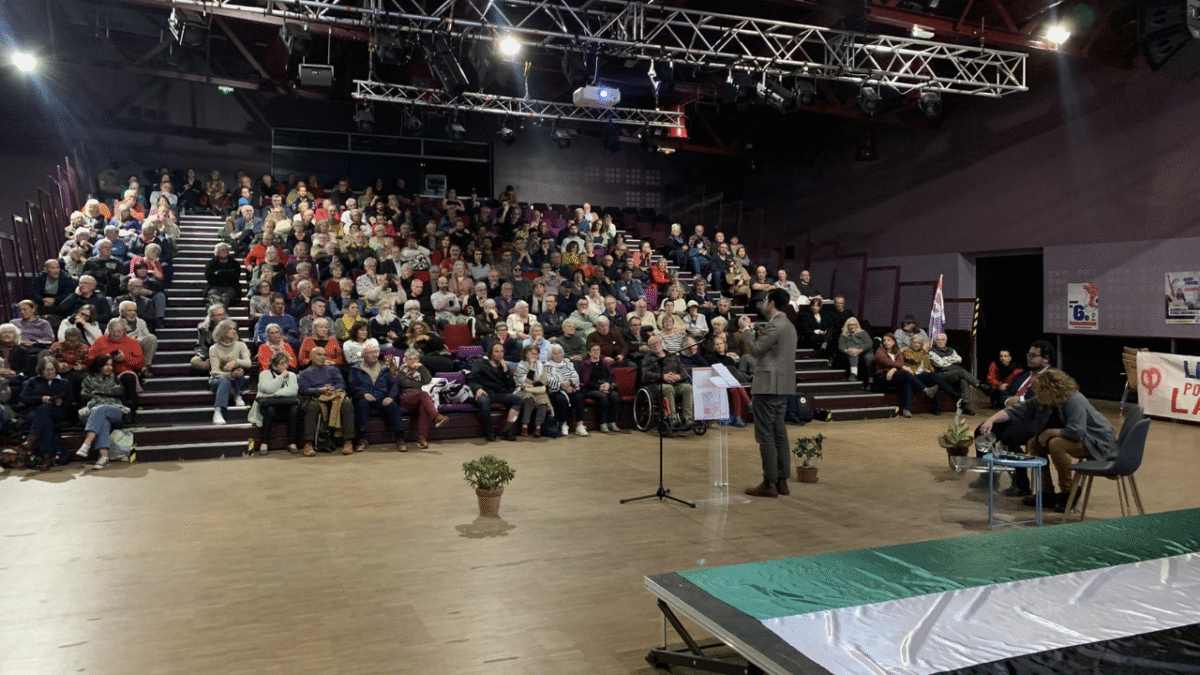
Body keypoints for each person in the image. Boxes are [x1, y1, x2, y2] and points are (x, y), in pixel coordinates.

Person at [980, 369, 1117, 513]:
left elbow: (1077, 431)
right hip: (1074, 437)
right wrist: (992, 420)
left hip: (1095, 440)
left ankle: (1068, 492)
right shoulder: (1043, 401)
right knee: (1034, 443)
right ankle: (1047, 493)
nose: (1036, 395)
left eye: (1040, 391)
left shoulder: (1074, 399)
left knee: (1056, 444)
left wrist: (1050, 432)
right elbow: (1016, 410)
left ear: (1051, 390)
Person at [970, 340, 1055, 496]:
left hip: (1036, 420)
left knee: (1009, 437)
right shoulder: (1022, 376)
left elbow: (1040, 402)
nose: (1029, 358)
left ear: (1046, 359)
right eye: (1028, 355)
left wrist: (1020, 400)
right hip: (1012, 415)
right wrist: (1010, 401)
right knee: (981, 431)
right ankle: (988, 476)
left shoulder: (1052, 378)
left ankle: (1021, 485)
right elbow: (1004, 395)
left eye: (1034, 356)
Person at [738, 288, 798, 498]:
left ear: (771, 302)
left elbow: (755, 350)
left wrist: (746, 330)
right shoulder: (788, 325)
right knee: (779, 432)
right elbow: (767, 347)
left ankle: (768, 482)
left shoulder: (775, 325)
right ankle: (782, 481)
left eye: (765, 300)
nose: (764, 303)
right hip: (783, 385)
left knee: (765, 434)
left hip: (767, 386)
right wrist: (754, 331)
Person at [349, 340, 408, 452]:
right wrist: (363, 394)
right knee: (361, 404)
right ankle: (362, 439)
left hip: (382, 397)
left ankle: (400, 439)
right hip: (365, 398)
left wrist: (390, 397)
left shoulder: (384, 368)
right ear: (363, 355)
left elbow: (394, 385)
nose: (374, 355)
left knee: (393, 406)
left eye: (375, 352)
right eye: (370, 352)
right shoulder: (355, 369)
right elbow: (352, 386)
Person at [297, 346, 355, 456]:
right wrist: (319, 390)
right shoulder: (303, 374)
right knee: (312, 406)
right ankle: (308, 443)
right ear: (311, 357)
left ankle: (348, 441)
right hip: (316, 397)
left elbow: (341, 384)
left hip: (333, 394)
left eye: (324, 355)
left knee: (347, 404)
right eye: (319, 354)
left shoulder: (333, 369)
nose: (323, 357)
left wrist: (333, 389)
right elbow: (304, 390)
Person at [19, 357, 75, 471]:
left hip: (57, 412)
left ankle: (32, 439)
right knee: (47, 421)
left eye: (52, 369)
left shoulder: (63, 382)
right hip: (35, 412)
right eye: (46, 370)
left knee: (46, 411)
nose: (50, 372)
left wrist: (61, 402)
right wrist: (41, 399)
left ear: (56, 369)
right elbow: (23, 399)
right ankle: (47, 456)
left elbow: (71, 401)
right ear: (40, 370)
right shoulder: (32, 381)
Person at [73, 354, 128, 469]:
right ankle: (103, 458)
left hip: (114, 409)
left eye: (111, 365)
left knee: (101, 409)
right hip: (91, 410)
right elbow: (82, 396)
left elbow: (119, 394)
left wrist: (97, 393)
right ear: (99, 366)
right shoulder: (88, 379)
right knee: (103, 421)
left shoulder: (115, 378)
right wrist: (108, 392)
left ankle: (86, 444)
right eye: (106, 365)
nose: (109, 368)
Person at [87, 318, 145, 416]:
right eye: (114, 331)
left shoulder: (132, 342)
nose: (116, 334)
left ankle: (130, 412)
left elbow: (140, 363)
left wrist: (124, 358)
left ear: (124, 331)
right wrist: (106, 358)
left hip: (123, 373)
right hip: (103, 374)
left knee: (129, 378)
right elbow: (90, 360)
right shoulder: (100, 341)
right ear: (109, 330)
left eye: (119, 331)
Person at [468, 341, 523, 442]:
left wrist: (506, 370)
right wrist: (478, 388)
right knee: (483, 401)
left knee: (518, 400)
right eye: (496, 351)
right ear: (491, 353)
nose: (499, 354)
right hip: (485, 392)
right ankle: (490, 431)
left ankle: (507, 430)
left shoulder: (504, 366)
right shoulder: (480, 363)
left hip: (500, 393)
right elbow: (471, 380)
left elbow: (510, 385)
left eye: (501, 351)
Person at [248, 351, 301, 455]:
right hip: (267, 408)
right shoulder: (265, 374)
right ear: (274, 365)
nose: (285, 366)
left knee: (294, 409)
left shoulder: (292, 375)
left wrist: (274, 395)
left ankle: (292, 442)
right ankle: (264, 442)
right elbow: (267, 388)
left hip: (285, 407)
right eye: (281, 363)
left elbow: (293, 391)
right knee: (271, 409)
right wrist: (281, 378)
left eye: (286, 363)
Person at [395, 348, 448, 449]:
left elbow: (427, 379)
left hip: (419, 398)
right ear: (405, 361)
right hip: (406, 398)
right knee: (424, 395)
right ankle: (436, 417)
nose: (413, 361)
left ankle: (422, 439)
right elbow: (406, 383)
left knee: (424, 407)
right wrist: (420, 383)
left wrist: (422, 367)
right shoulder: (401, 372)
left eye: (415, 359)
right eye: (410, 359)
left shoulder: (420, 370)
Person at [874, 333, 935, 418]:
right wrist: (898, 367)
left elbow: (900, 363)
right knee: (905, 373)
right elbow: (888, 362)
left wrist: (894, 369)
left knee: (907, 382)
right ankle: (926, 390)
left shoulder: (897, 352)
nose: (886, 342)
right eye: (884, 340)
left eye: (889, 340)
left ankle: (907, 409)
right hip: (884, 378)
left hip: (895, 376)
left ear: (894, 342)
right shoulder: (880, 352)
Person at [641, 335, 694, 432]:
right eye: (652, 344)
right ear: (649, 347)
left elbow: (684, 371)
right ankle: (672, 418)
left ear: (661, 343)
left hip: (675, 383)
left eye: (657, 342)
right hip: (657, 386)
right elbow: (645, 374)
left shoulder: (672, 356)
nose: (656, 345)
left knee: (688, 388)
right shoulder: (648, 358)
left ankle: (688, 418)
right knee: (668, 388)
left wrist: (679, 377)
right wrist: (663, 376)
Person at [900, 336, 959, 415]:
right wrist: (923, 351)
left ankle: (936, 408)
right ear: (911, 343)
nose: (916, 345)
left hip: (922, 376)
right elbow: (915, 359)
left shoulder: (924, 355)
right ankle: (907, 409)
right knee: (908, 383)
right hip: (912, 376)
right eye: (914, 343)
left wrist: (929, 370)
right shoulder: (906, 352)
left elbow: (931, 368)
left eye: (919, 343)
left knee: (934, 381)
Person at [207, 319, 251, 425]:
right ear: (222, 331)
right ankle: (218, 412)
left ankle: (237, 394)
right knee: (225, 380)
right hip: (218, 380)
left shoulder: (240, 345)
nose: (233, 331)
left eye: (234, 329)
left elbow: (248, 363)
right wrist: (230, 375)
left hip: (237, 378)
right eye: (230, 329)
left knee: (239, 371)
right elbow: (215, 372)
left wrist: (235, 362)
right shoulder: (214, 348)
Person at [929, 333, 979, 415]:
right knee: (962, 372)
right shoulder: (932, 351)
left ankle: (965, 406)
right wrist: (951, 359)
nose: (940, 342)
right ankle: (979, 385)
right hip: (941, 374)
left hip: (953, 374)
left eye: (943, 340)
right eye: (938, 340)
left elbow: (959, 359)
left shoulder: (951, 350)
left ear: (946, 341)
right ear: (935, 341)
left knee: (964, 379)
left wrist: (945, 359)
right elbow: (940, 364)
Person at [545, 344, 588, 437]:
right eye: (554, 353)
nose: (558, 355)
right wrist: (562, 385)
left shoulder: (569, 363)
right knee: (561, 400)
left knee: (579, 397)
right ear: (550, 355)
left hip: (570, 388)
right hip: (555, 391)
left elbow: (575, 376)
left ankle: (580, 425)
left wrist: (568, 382)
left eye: (560, 353)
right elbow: (548, 380)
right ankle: (563, 424)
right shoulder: (547, 366)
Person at [581, 343, 621, 433]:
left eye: (598, 349)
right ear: (589, 352)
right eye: (594, 350)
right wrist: (599, 387)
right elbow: (585, 381)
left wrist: (607, 384)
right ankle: (603, 423)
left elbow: (610, 375)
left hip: (605, 386)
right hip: (591, 389)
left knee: (615, 396)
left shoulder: (604, 362)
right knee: (602, 397)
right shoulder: (585, 364)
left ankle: (612, 422)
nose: (596, 352)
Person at [514, 344, 551, 437]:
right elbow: (524, 383)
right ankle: (524, 426)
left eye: (536, 354)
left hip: (537, 390)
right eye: (532, 353)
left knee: (543, 399)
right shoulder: (521, 366)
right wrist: (531, 368)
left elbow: (543, 381)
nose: (535, 356)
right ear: (526, 354)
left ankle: (538, 428)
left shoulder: (540, 365)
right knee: (528, 397)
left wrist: (532, 385)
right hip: (523, 390)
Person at [204, 242, 242, 309]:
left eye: (226, 250)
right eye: (222, 250)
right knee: (213, 295)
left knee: (226, 297)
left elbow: (235, 276)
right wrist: (228, 274)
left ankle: (214, 309)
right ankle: (219, 309)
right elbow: (209, 278)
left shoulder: (234, 263)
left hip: (230, 287)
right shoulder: (211, 264)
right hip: (214, 287)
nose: (224, 252)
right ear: (217, 252)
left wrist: (219, 273)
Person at [837, 317, 874, 384]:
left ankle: (871, 377)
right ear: (847, 326)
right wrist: (846, 350)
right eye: (850, 325)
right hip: (851, 353)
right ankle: (853, 374)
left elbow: (869, 343)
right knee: (853, 352)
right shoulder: (844, 335)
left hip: (864, 352)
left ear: (857, 325)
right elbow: (840, 346)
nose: (852, 326)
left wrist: (860, 350)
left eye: (854, 324)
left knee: (869, 357)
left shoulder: (863, 333)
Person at [191, 304, 227, 371]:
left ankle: (216, 370)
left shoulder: (231, 327)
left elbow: (237, 343)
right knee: (194, 361)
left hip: (226, 355)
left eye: (223, 314)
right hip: (210, 355)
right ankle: (216, 369)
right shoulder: (203, 328)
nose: (222, 317)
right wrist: (206, 357)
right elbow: (200, 346)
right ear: (212, 317)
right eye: (219, 315)